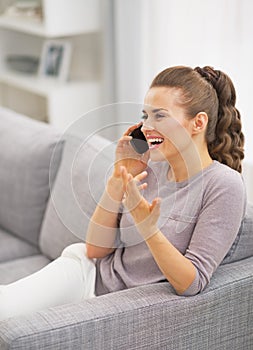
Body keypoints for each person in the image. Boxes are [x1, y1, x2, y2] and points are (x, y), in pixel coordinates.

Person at [0, 66, 246, 320]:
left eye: (159, 116)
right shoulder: (149, 167)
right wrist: (119, 178)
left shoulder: (224, 186)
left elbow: (192, 283)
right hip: (87, 276)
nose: (147, 126)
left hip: (118, 305)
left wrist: (149, 229)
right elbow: (95, 251)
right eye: (145, 116)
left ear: (198, 122)